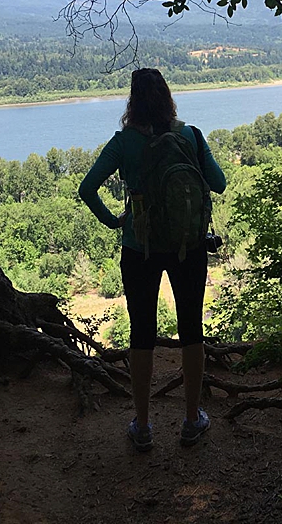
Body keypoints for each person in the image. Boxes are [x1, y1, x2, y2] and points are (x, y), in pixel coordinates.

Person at [78, 68, 227, 451]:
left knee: (141, 333)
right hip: (188, 245)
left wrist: (115, 221)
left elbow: (87, 188)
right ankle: (192, 420)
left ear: (133, 101)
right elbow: (219, 183)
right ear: (167, 97)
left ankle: (142, 426)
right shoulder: (189, 135)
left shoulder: (123, 142)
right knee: (192, 329)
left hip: (138, 247)